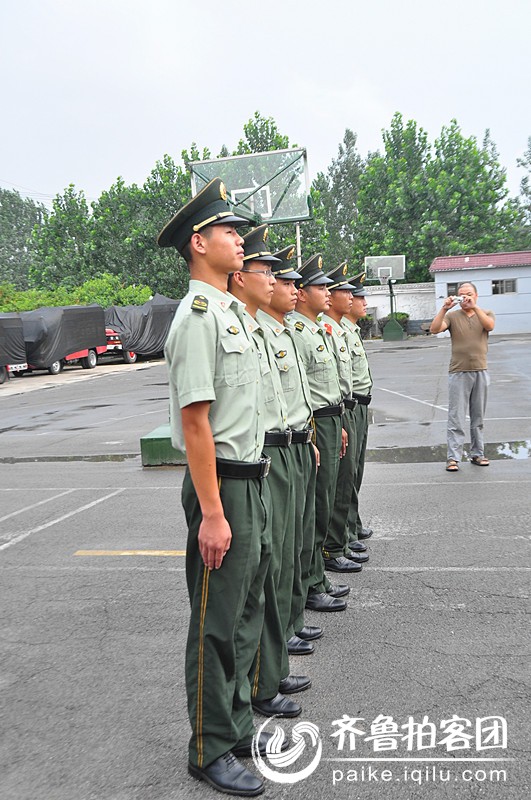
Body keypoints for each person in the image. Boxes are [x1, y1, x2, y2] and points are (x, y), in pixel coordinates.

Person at [158, 178, 274, 797]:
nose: (239, 238)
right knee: (215, 621)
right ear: (199, 243)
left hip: (250, 480)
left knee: (245, 609)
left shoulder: (229, 312)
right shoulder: (198, 317)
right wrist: (211, 514)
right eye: (229, 230)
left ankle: (232, 725)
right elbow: (196, 422)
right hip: (221, 487)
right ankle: (207, 747)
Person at [228, 225, 310, 721]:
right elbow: (198, 420)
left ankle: (268, 673)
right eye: (270, 272)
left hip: (278, 451)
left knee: (281, 558)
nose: (284, 283)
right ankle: (255, 687)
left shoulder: (259, 328)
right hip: (256, 460)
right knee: (260, 577)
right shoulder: (214, 322)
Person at [256, 245, 322, 654]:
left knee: (295, 542)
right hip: (271, 451)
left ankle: (292, 622)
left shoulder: (282, 330)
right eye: (285, 281)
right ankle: (279, 638)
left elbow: (297, 397)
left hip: (297, 442)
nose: (294, 289)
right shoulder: (257, 330)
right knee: (276, 554)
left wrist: (309, 437)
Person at [290, 254, 349, 612]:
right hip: (312, 424)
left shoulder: (314, 329)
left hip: (329, 419)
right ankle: (311, 583)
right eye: (320, 286)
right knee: (314, 509)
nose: (327, 292)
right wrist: (313, 434)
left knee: (322, 502)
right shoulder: (297, 331)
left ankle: (316, 577)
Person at [321, 263, 369, 573]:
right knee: (336, 484)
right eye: (346, 292)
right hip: (335, 413)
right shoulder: (325, 329)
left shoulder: (342, 329)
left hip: (352, 407)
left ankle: (347, 530)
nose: (353, 298)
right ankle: (335, 543)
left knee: (351, 475)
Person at [429, 281, 495, 472]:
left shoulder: (486, 314)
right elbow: (434, 329)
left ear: (476, 296)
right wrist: (444, 308)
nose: (465, 298)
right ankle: (453, 458)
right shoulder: (452, 316)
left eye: (468, 294)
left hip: (480, 371)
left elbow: (489, 326)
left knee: (478, 416)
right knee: (456, 416)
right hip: (458, 371)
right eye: (461, 295)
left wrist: (474, 307)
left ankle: (477, 453)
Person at [341, 272, 375, 545]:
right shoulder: (337, 331)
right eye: (356, 295)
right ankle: (345, 531)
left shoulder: (351, 330)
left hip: (361, 405)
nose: (360, 300)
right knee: (346, 474)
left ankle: (353, 522)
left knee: (356, 470)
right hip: (348, 407)